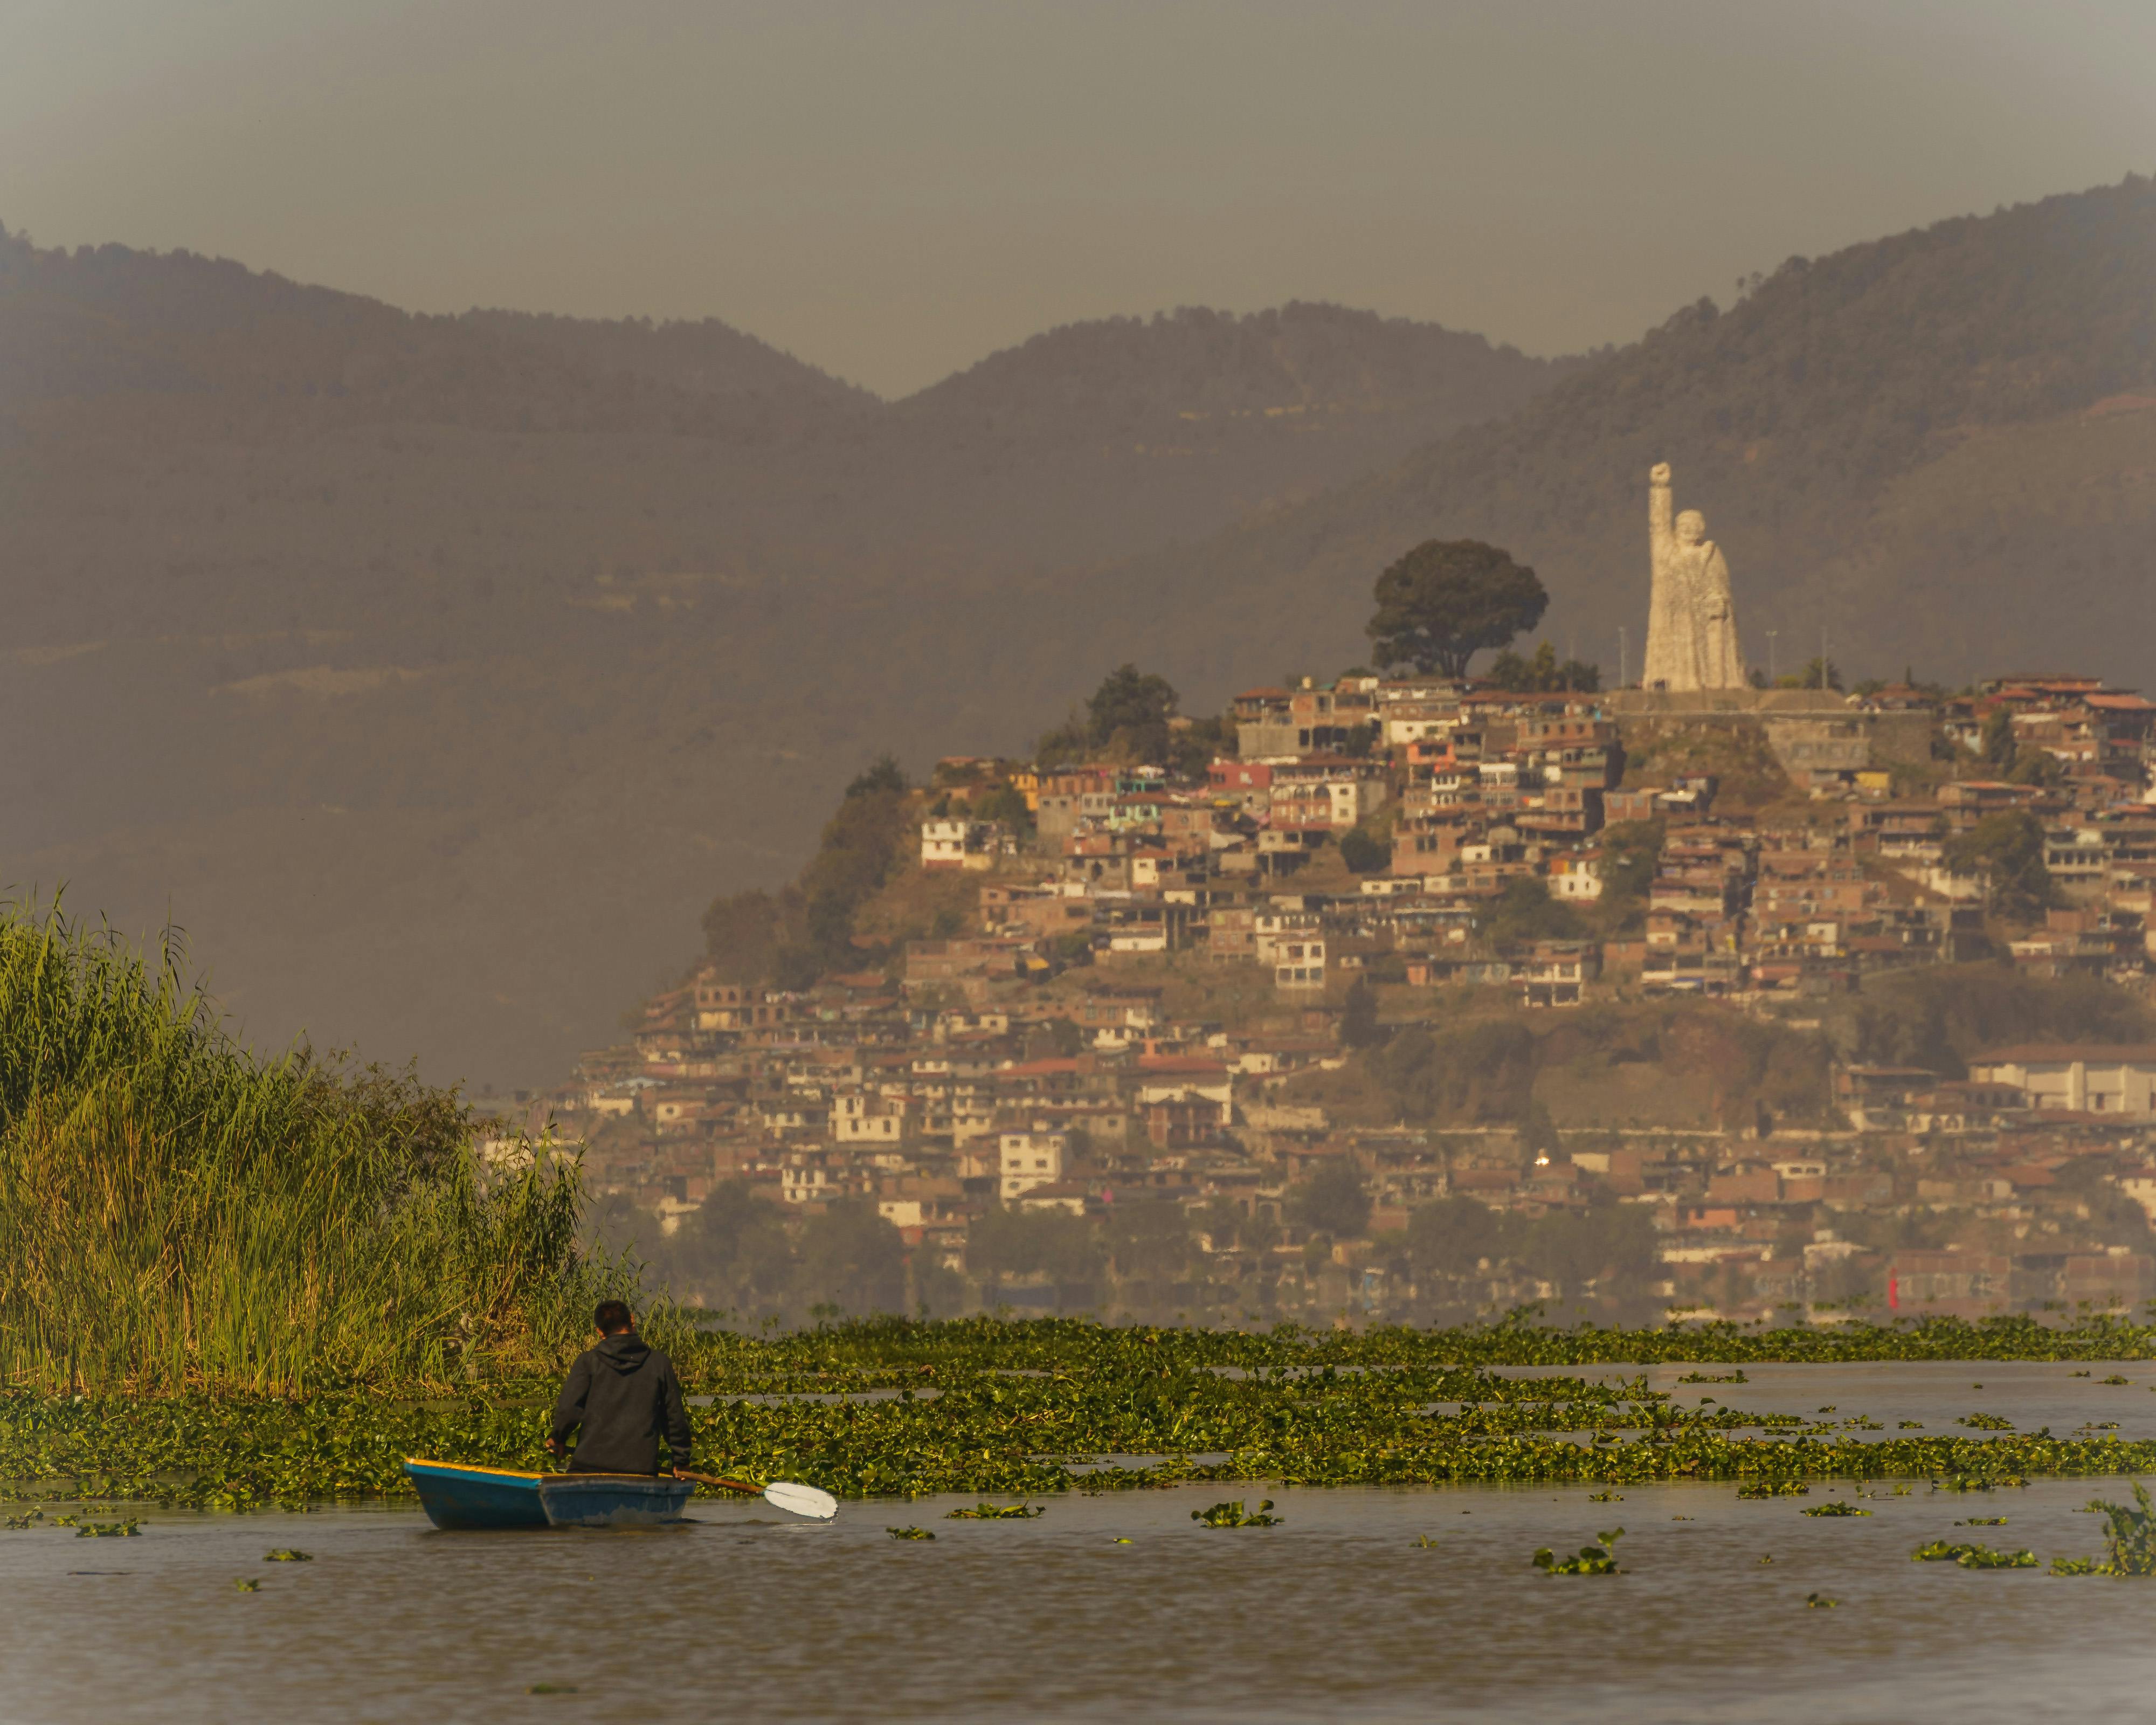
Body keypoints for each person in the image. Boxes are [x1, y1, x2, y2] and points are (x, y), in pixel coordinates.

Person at [547, 1300, 694, 1476]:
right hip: (641, 1469)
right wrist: (682, 1460)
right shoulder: (659, 1363)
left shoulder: (588, 1362)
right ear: (632, 1320)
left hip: (589, 1466)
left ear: (600, 1332)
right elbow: (673, 1418)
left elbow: (569, 1409)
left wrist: (558, 1437)